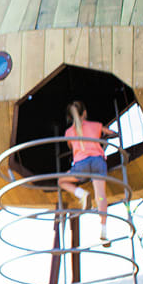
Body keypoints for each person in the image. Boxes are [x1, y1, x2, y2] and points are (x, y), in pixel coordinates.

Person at [57, 101, 119, 245]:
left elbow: (71, 146)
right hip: (98, 161)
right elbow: (112, 133)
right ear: (85, 113)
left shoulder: (68, 132)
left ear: (70, 117)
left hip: (81, 165)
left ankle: (81, 194)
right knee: (101, 196)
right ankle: (103, 230)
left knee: (61, 180)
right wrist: (109, 135)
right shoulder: (96, 125)